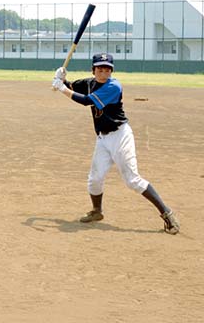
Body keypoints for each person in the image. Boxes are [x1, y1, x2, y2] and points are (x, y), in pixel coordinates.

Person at [52, 53, 179, 234]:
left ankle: (167, 213)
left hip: (120, 136)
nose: (103, 72)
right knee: (94, 179)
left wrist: (61, 89)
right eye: (100, 69)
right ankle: (97, 211)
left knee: (132, 180)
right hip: (103, 139)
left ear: (111, 71)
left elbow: (86, 100)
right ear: (93, 70)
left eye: (107, 69)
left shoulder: (113, 86)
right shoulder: (89, 83)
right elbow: (71, 87)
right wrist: (61, 78)